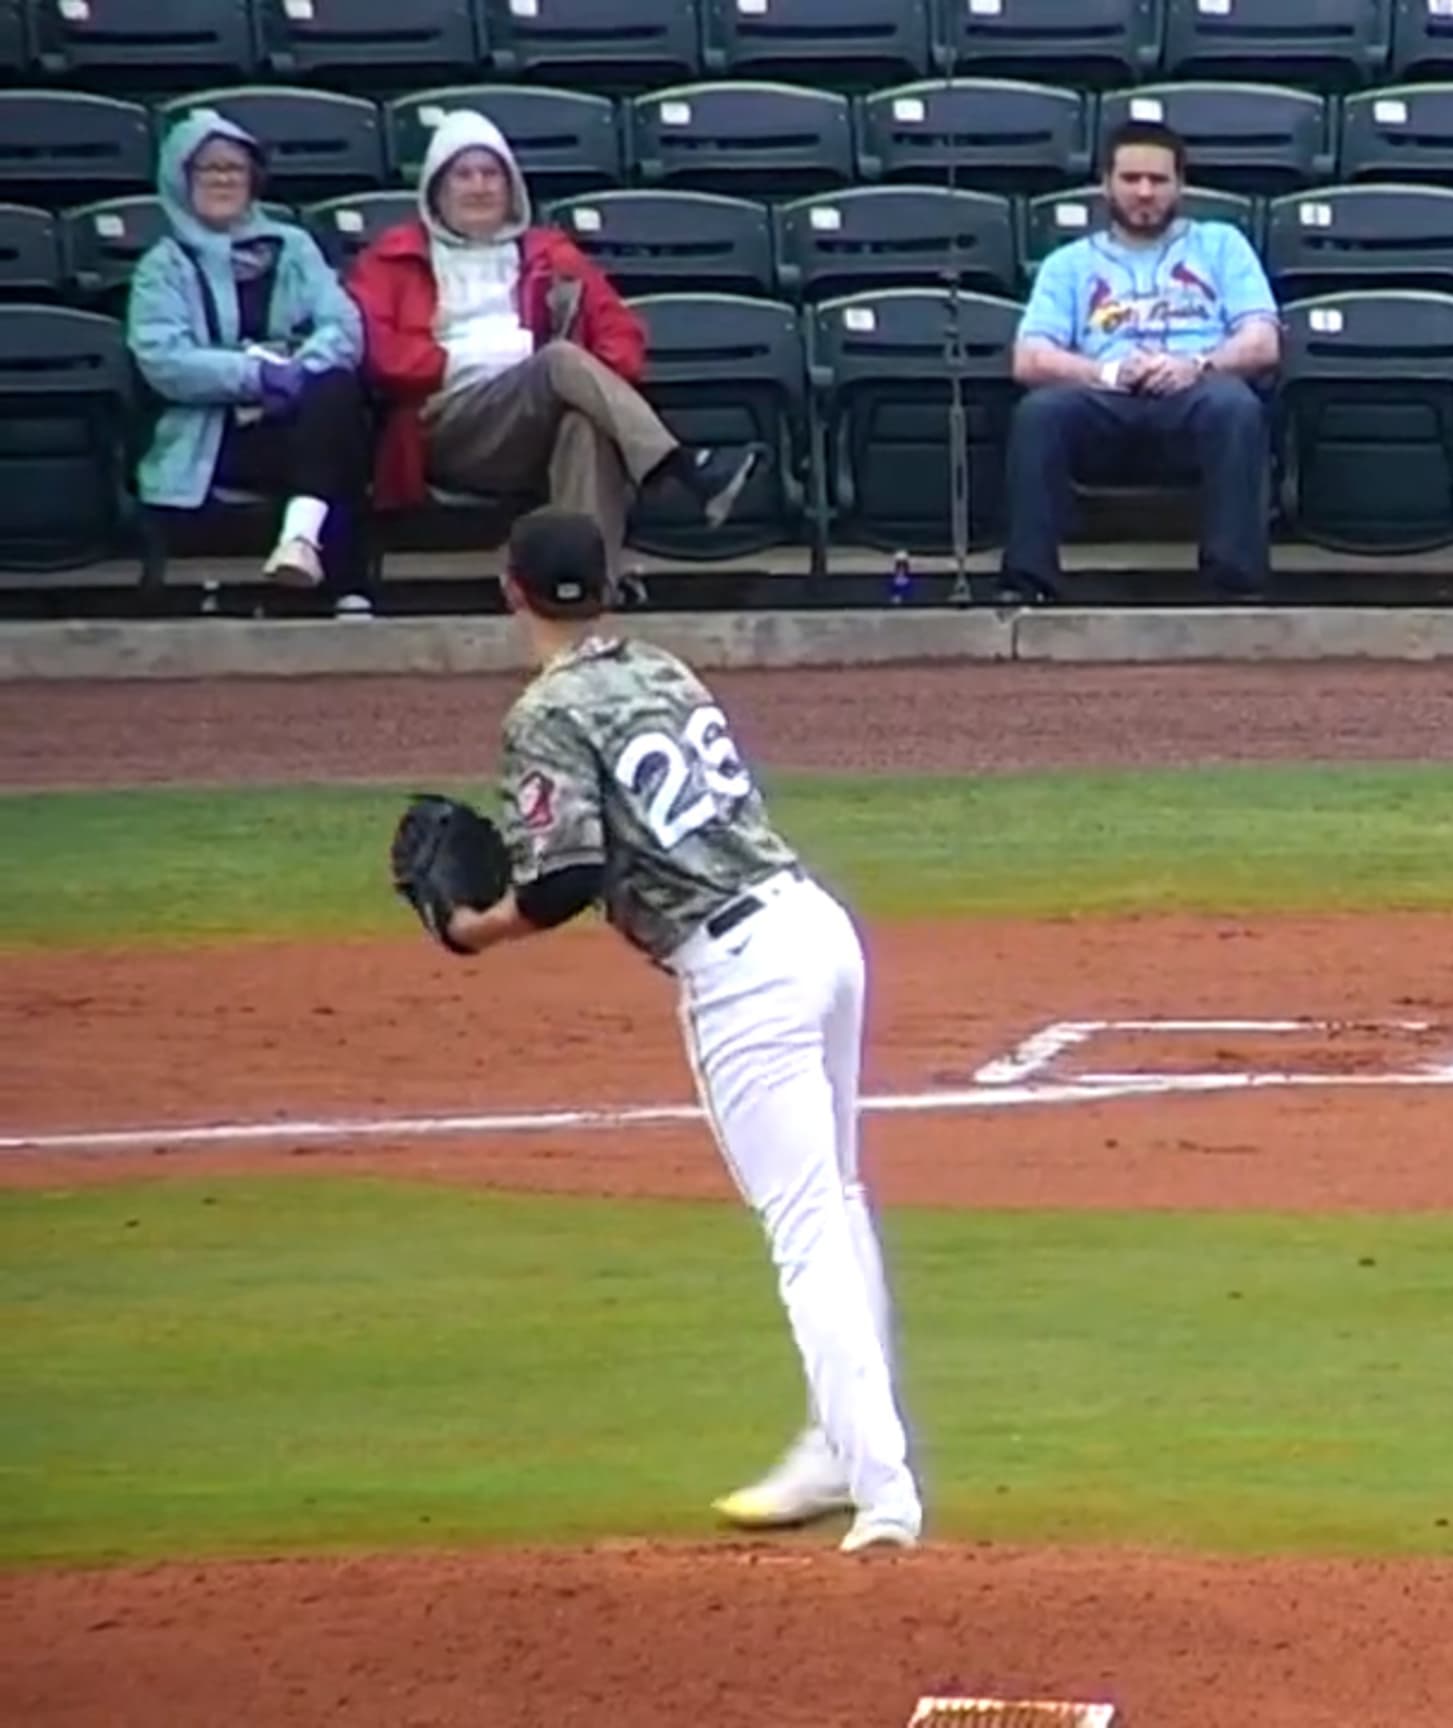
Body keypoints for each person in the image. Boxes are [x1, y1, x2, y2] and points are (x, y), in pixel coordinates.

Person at [431, 508, 922, 1554]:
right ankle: (844, 1454)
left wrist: (474, 931)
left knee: (805, 1233)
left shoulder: (546, 711)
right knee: (835, 1199)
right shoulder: (659, 668)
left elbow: (561, 877)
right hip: (817, 928)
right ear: (605, 587)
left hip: (744, 973)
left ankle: (883, 1495)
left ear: (512, 589)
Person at [346, 110, 760, 576]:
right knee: (558, 359)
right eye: (463, 175)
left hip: (531, 425)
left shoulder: (550, 254)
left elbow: (621, 334)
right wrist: (503, 357)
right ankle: (679, 466)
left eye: (492, 175)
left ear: (512, 189)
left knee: (585, 426)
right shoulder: (391, 259)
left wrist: (594, 382)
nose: (479, 187)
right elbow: (383, 357)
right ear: (437, 191)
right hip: (443, 424)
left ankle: (579, 590)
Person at [1005, 119, 1281, 603]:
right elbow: (1029, 358)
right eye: (1131, 179)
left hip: (1195, 392)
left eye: (1158, 180)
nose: (1145, 192)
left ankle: (1234, 583)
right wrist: (1104, 373)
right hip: (1103, 399)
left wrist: (1196, 364)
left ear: (1181, 185)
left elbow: (1262, 341)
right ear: (1105, 185)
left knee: (1235, 405)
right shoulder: (1068, 263)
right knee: (1039, 412)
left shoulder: (1221, 245)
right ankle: (1030, 584)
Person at [124, 109, 372, 609]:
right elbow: (165, 360)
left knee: (336, 394)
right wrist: (256, 375)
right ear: (181, 178)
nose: (223, 180)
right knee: (335, 428)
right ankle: (342, 586)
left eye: (234, 169)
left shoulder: (294, 246)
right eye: (208, 169)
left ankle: (301, 544)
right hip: (213, 435)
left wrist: (297, 373)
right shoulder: (163, 265)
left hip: (298, 417)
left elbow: (344, 328)